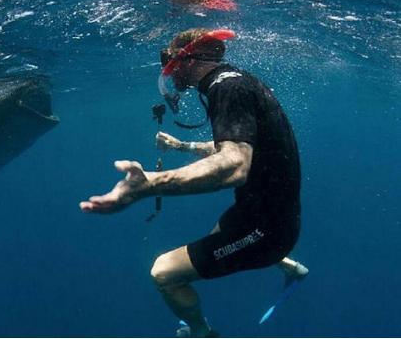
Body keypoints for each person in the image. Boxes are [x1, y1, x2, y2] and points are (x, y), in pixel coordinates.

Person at [79, 28, 308, 337]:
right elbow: (242, 143)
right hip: (261, 214)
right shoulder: (234, 80)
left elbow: (236, 165)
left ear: (186, 58)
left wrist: (150, 185)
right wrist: (182, 147)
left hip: (267, 230)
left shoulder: (225, 89)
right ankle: (290, 267)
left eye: (168, 58)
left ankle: (202, 332)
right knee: (215, 240)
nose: (166, 68)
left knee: (164, 273)